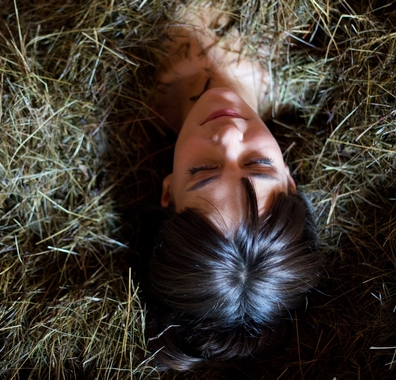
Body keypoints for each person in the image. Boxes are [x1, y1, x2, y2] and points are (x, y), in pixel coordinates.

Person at [144, 5, 322, 371]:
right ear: (289, 178)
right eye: (258, 164)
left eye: (202, 170)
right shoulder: (306, 41)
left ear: (168, 192)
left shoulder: (131, 76)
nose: (228, 135)